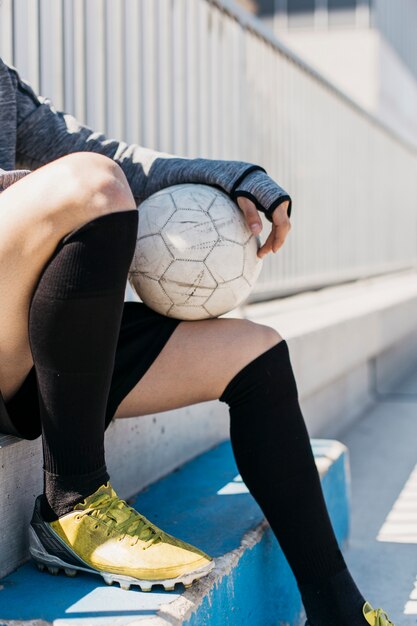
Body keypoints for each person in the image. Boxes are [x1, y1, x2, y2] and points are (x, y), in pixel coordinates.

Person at [0, 56, 393, 626]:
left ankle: (339, 612)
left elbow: (109, 159)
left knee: (255, 352)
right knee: (92, 183)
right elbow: (89, 181)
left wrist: (231, 176)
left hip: (24, 343)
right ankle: (74, 500)